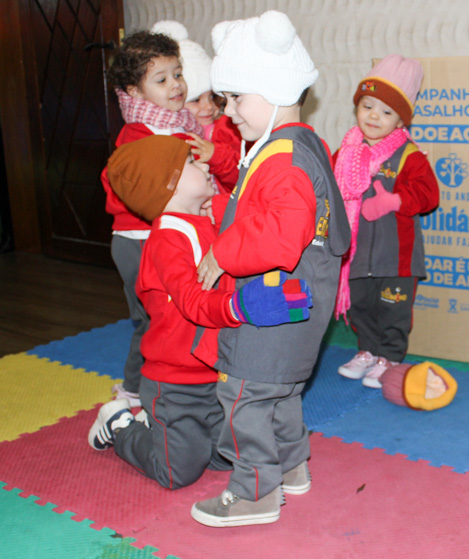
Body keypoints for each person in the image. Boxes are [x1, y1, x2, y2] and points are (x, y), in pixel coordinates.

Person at [190, 10, 350, 527]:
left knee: (242, 395)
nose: (229, 110)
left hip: (272, 307)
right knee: (279, 391)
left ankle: (255, 491)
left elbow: (280, 237)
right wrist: (225, 209)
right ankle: (291, 467)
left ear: (275, 88)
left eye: (237, 97)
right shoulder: (300, 143)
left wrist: (222, 252)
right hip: (298, 304)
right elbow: (271, 211)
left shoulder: (282, 159)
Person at [88, 135, 312, 491]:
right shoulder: (166, 238)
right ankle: (120, 425)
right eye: (192, 163)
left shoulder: (206, 220)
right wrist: (241, 306)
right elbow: (193, 302)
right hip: (176, 380)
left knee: (225, 457)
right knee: (177, 472)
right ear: (169, 184)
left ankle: (158, 426)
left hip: (217, 372)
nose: (205, 164)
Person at [101, 28, 203, 410]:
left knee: (177, 315)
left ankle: (178, 381)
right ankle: (132, 388)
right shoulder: (138, 135)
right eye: (161, 80)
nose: (176, 85)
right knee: (151, 320)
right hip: (138, 240)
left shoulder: (182, 124)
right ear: (136, 91)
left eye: (178, 74)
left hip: (169, 235)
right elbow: (122, 188)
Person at [333, 54, 439, 389]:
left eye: (386, 111)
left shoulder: (409, 155)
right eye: (367, 106)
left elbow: (429, 195)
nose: (374, 116)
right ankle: (367, 351)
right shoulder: (345, 152)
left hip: (397, 258)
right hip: (357, 253)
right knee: (362, 307)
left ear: (401, 120)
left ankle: (390, 357)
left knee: (393, 309)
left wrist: (394, 200)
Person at [150, 20, 242, 193]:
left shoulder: (229, 129)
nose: (208, 107)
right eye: (196, 100)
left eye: (213, 97)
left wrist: (216, 156)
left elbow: (245, 179)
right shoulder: (166, 133)